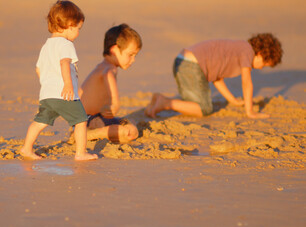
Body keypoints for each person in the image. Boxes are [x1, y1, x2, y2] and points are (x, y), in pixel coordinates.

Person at [19, 1, 98, 161]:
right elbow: (64, 63)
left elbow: (38, 69)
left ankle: (26, 148)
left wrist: (47, 85)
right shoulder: (66, 44)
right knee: (81, 121)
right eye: (78, 28)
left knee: (40, 122)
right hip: (65, 94)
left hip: (47, 94)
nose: (78, 32)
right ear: (69, 25)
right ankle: (81, 153)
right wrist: (68, 84)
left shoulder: (46, 46)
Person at [145, 33, 283, 119]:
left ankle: (156, 101)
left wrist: (233, 100)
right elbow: (246, 82)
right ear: (260, 53)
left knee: (194, 103)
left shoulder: (237, 49)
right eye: (264, 64)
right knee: (203, 109)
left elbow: (217, 79)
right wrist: (250, 111)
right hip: (191, 65)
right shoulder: (247, 51)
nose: (260, 67)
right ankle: (166, 103)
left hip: (183, 61)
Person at [79, 24, 142, 143]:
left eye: (135, 56)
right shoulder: (109, 69)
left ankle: (88, 133)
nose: (133, 60)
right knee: (128, 132)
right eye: (130, 55)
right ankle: (88, 135)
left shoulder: (104, 66)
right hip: (88, 119)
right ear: (114, 51)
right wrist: (115, 103)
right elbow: (107, 75)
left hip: (92, 118)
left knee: (131, 124)